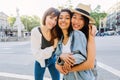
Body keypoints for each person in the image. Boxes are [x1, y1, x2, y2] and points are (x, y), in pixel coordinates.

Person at [55, 3, 97, 80]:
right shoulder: (63, 36)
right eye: (74, 17)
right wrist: (60, 58)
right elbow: (58, 56)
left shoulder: (90, 34)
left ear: (85, 22)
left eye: (81, 19)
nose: (76, 22)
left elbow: (90, 64)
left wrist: (66, 67)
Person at [31, 7, 60, 80]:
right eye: (51, 18)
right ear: (45, 17)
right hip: (40, 61)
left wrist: (91, 27)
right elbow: (37, 54)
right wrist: (53, 47)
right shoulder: (35, 31)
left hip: (53, 60)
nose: (53, 22)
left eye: (56, 20)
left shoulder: (56, 31)